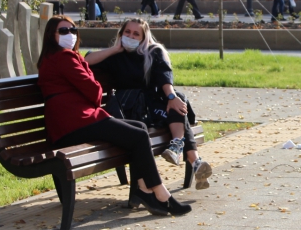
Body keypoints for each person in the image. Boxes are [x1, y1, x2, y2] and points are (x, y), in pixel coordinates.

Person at [36, 16, 191, 216]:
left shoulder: (53, 58)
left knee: (140, 128)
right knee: (139, 136)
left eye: (73, 31)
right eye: (63, 31)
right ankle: (161, 194)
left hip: (72, 123)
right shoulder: (64, 57)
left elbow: (86, 75)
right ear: (52, 35)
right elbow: (94, 92)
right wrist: (92, 83)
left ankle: (142, 189)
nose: (70, 35)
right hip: (75, 123)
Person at [84, 18, 213, 190]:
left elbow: (164, 77)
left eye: (136, 34)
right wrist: (115, 48)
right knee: (176, 109)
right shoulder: (115, 56)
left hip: (152, 105)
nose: (131, 36)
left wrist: (171, 96)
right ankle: (193, 159)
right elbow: (87, 59)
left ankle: (179, 148)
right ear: (121, 34)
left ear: (144, 37)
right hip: (132, 110)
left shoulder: (153, 52)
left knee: (177, 102)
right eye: (127, 32)